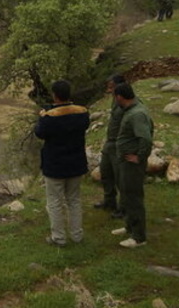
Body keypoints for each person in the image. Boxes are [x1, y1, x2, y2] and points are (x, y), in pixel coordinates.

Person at [34, 80, 90, 246]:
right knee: (74, 200)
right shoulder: (82, 113)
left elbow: (39, 133)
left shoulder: (49, 118)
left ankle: (58, 237)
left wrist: (42, 116)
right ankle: (77, 235)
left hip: (55, 165)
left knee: (55, 202)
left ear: (55, 96)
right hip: (76, 162)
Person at [111, 82, 154, 248]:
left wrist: (139, 157)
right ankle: (129, 225)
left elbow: (146, 138)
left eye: (115, 97)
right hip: (125, 161)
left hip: (132, 164)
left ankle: (138, 237)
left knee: (134, 197)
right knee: (126, 194)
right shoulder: (132, 109)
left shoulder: (137, 114)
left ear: (120, 97)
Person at [94, 74, 126, 219]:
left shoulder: (127, 102)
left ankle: (124, 208)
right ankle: (109, 201)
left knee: (121, 178)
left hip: (120, 145)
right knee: (105, 172)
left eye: (112, 87)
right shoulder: (115, 100)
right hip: (110, 142)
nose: (109, 90)